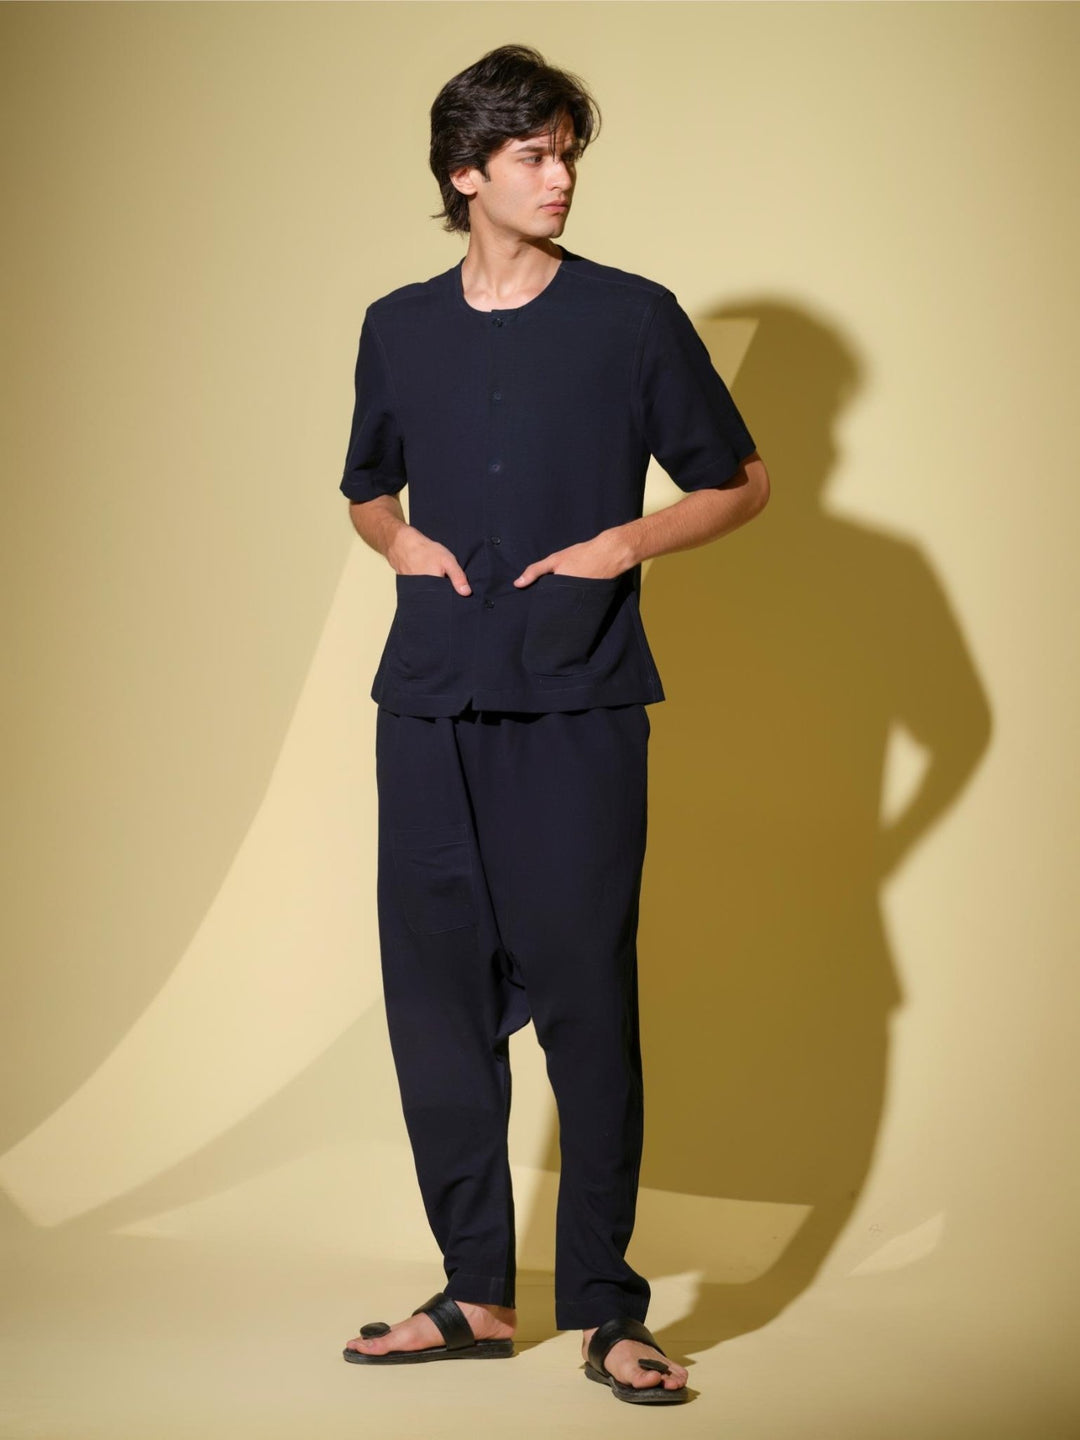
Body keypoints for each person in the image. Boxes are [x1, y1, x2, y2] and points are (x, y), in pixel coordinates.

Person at [338, 43, 769, 1404]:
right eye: (533, 154)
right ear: (465, 172)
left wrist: (621, 544)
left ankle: (607, 1309)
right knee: (436, 1008)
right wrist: (398, 543)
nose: (560, 176)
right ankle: (474, 1293)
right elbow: (365, 486)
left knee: (588, 1005)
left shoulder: (632, 318)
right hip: (428, 702)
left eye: (567, 152)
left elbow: (741, 481)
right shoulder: (397, 325)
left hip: (580, 698)